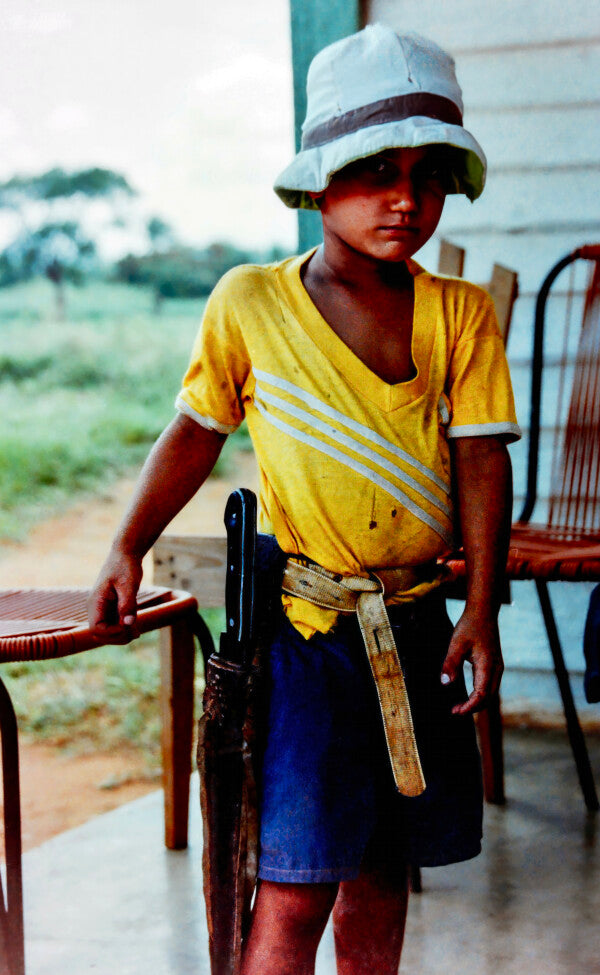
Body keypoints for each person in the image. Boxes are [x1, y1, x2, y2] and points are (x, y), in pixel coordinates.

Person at [89, 24, 520, 975]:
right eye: (374, 170)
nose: (405, 197)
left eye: (428, 172)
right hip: (308, 637)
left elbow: (483, 460)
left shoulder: (459, 314)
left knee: (381, 869)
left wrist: (481, 607)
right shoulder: (251, 304)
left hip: (416, 630)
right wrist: (127, 543)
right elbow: (196, 432)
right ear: (318, 180)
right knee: (292, 883)